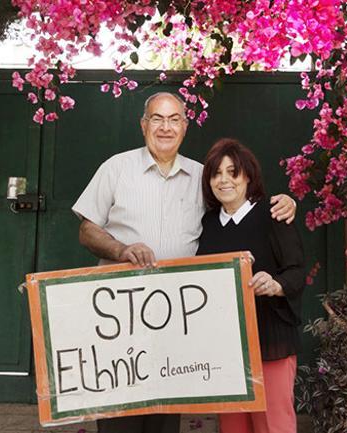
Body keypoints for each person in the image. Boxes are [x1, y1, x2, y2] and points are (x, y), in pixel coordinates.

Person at [71, 92, 297, 433]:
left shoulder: (201, 178)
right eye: (157, 119)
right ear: (143, 125)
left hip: (174, 321)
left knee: (165, 415)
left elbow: (236, 209)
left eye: (174, 119)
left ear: (185, 126)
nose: (165, 127)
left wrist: (284, 203)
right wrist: (121, 250)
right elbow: (87, 230)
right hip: (122, 317)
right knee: (119, 419)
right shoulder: (116, 168)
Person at [196, 138, 305, 433]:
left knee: (274, 425)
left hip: (270, 339)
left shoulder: (273, 215)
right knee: (233, 427)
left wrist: (276, 284)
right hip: (226, 346)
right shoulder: (207, 224)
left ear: (248, 176)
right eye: (216, 174)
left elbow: (297, 272)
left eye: (233, 172)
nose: (224, 180)